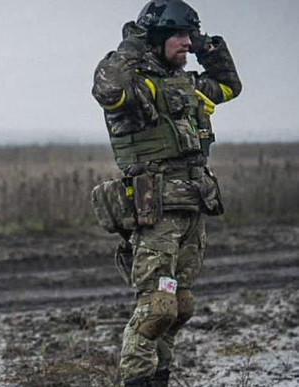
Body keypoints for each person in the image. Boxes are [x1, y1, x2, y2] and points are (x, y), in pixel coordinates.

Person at [91, 0, 241, 386]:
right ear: (154, 39)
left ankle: (160, 378)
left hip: (191, 206)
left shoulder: (187, 84)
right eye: (177, 35)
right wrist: (133, 44)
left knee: (179, 307)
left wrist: (205, 43)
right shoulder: (138, 88)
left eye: (188, 35)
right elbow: (107, 89)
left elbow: (229, 84)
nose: (185, 43)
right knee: (155, 308)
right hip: (154, 212)